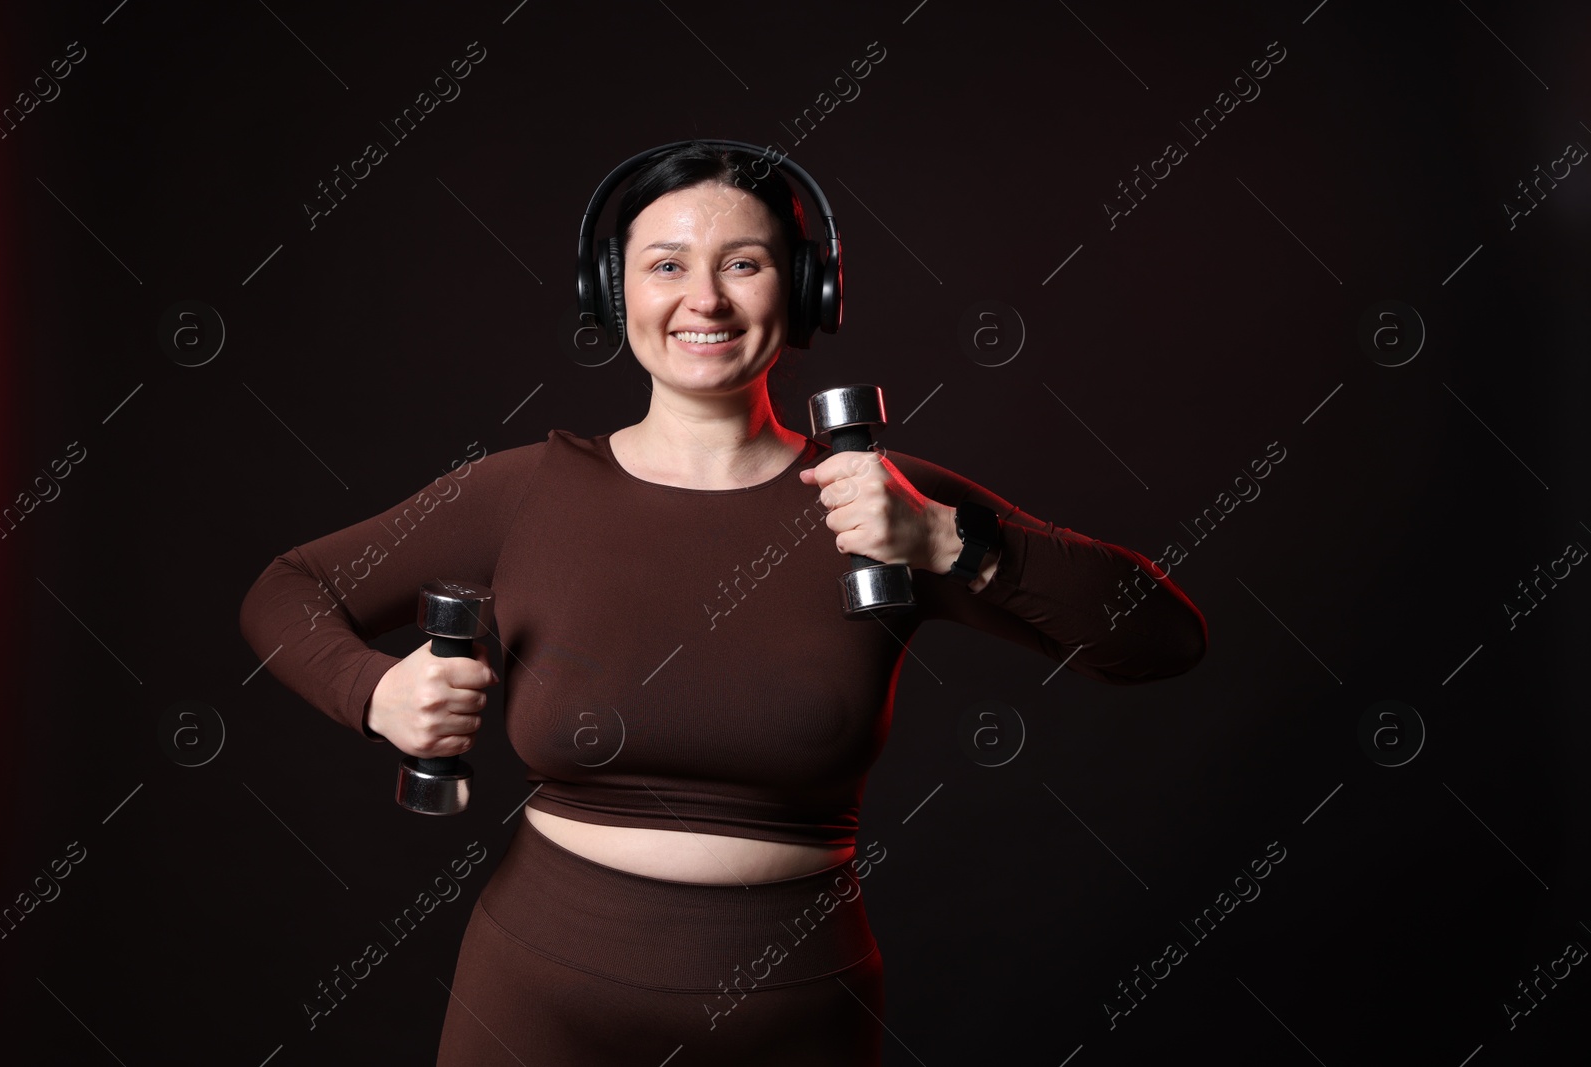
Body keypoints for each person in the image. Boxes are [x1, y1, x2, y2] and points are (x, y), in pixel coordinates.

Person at [238, 140, 1207, 1065]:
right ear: (613, 294)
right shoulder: (528, 490)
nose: (703, 297)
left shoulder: (880, 499)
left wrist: (947, 540)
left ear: (807, 289)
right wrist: (371, 692)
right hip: (537, 1002)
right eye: (665, 264)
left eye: (742, 262)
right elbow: (289, 586)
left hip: (796, 1021)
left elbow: (1161, 637)